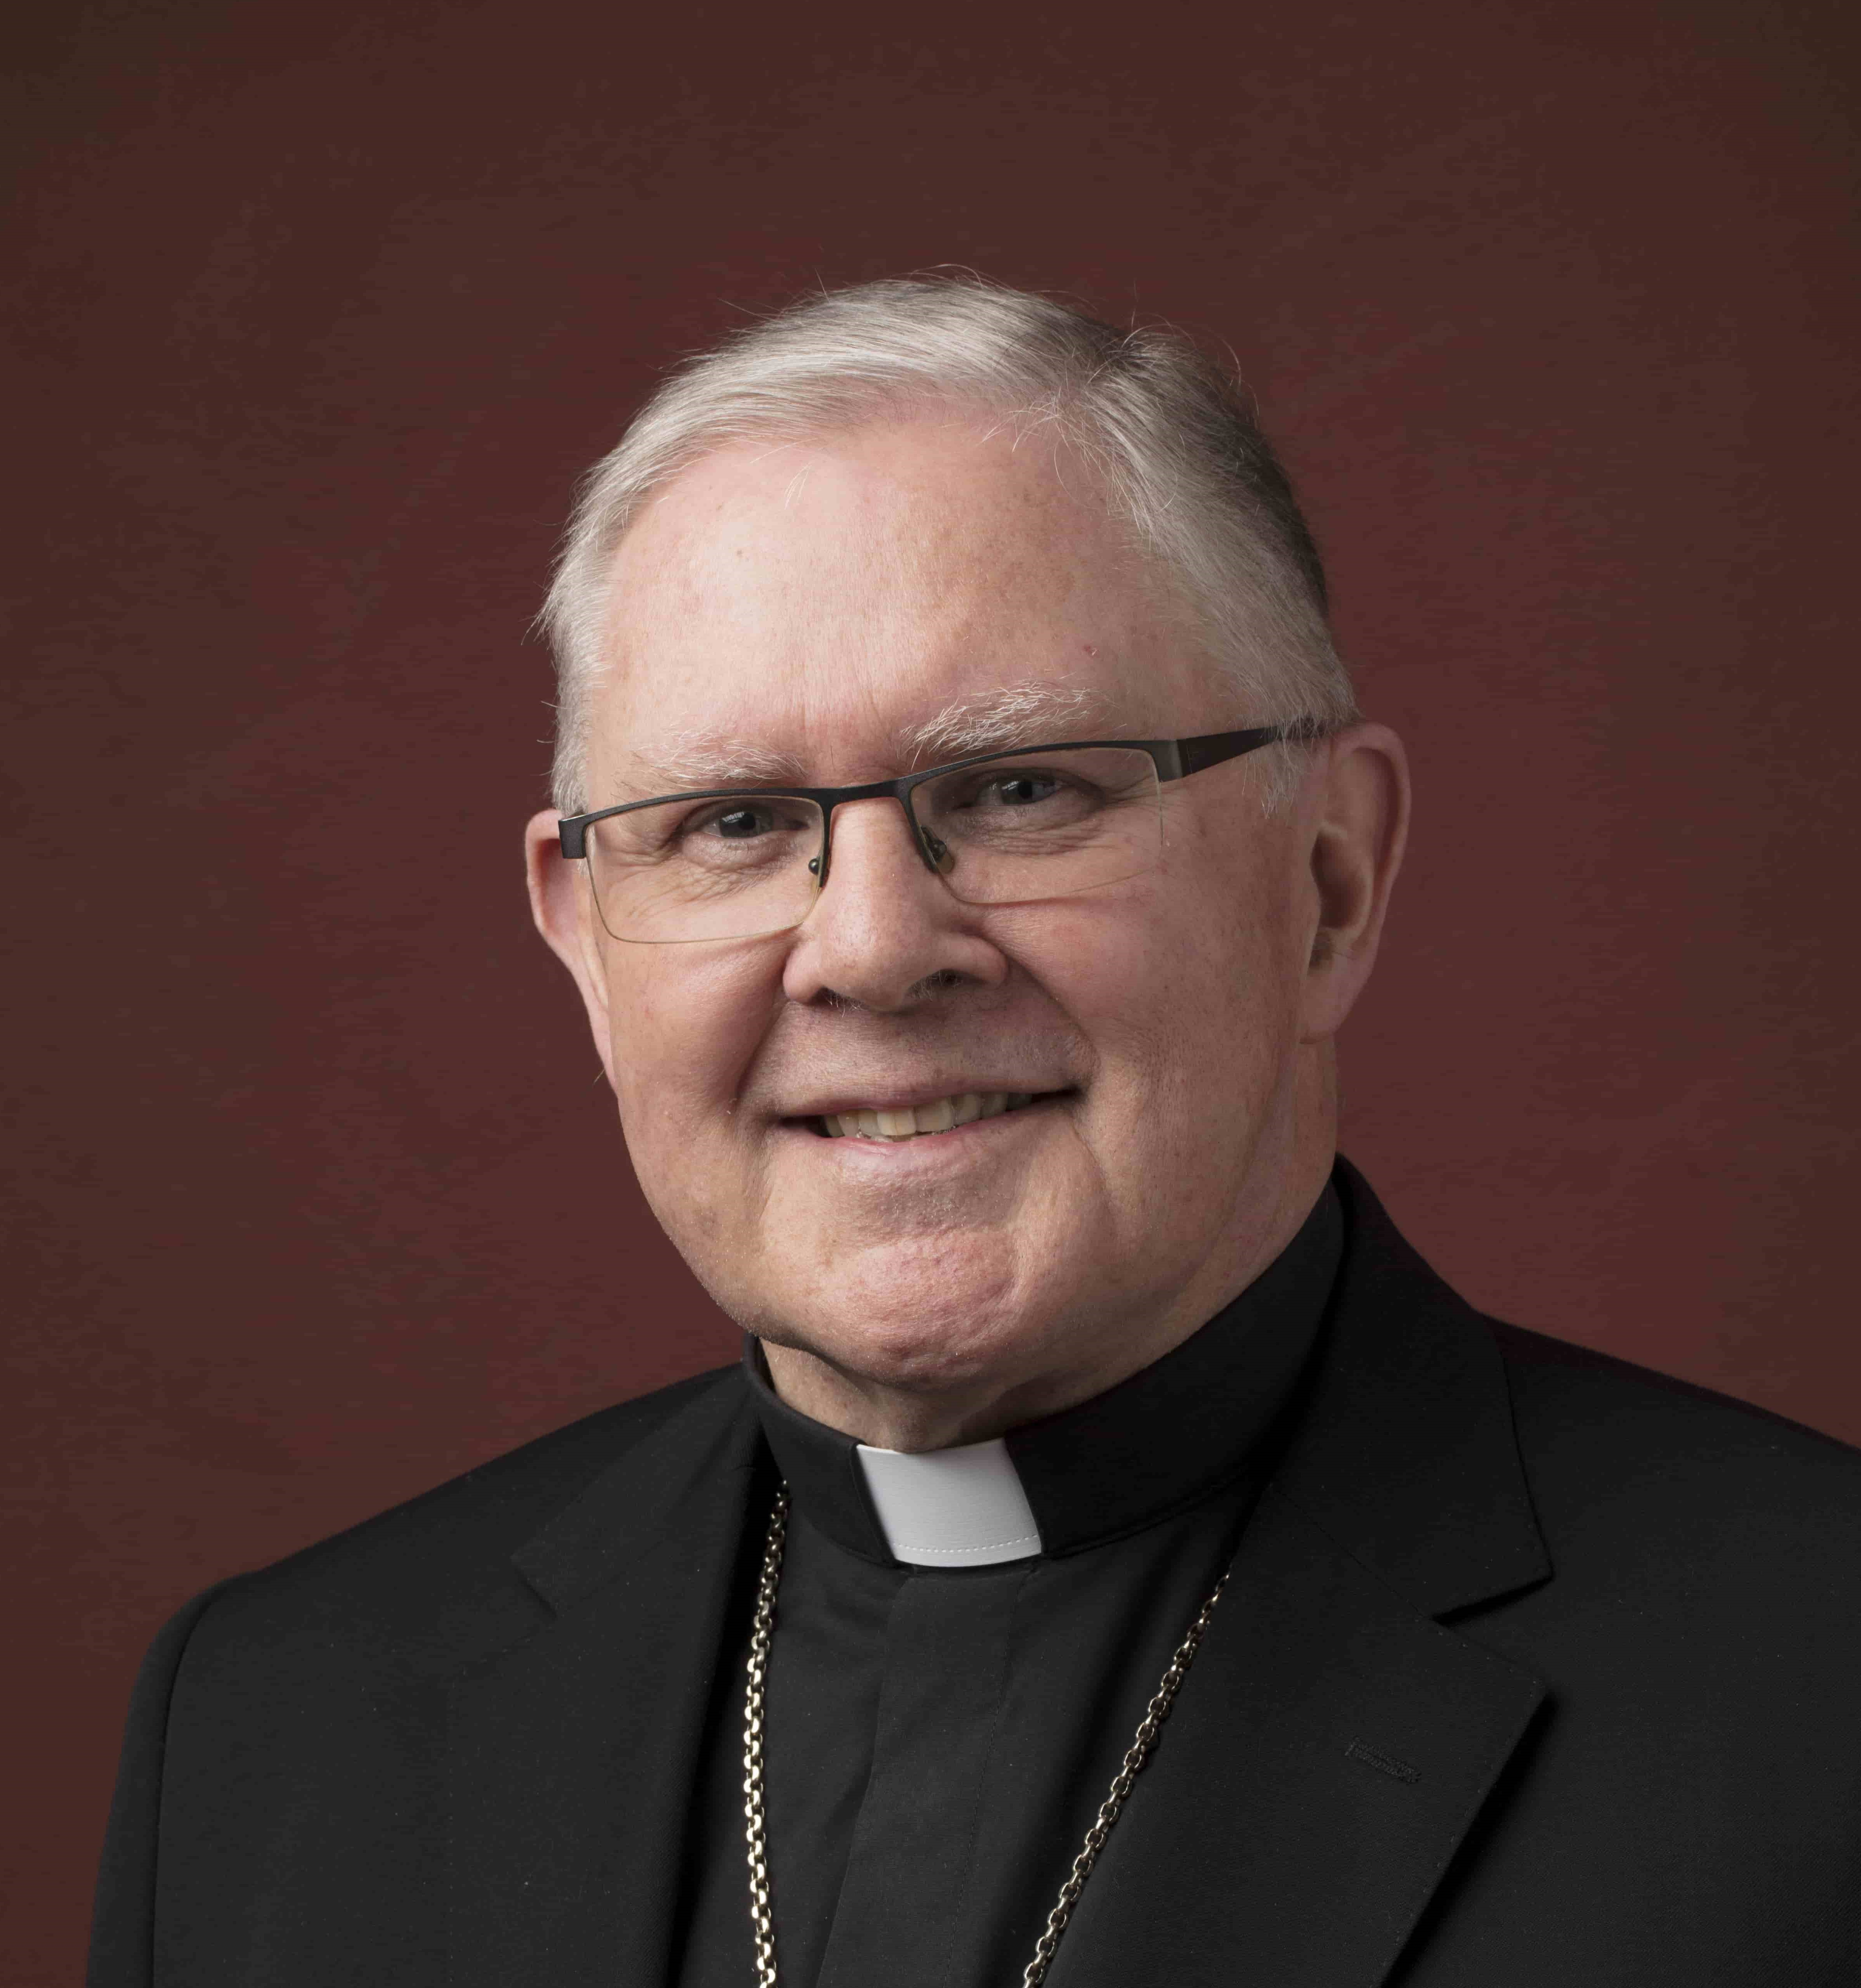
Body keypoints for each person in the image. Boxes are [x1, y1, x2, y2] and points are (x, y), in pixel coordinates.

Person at [89, 278, 1861, 1988]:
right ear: (585, 943)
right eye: (730, 821)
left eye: (1021, 789)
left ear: (1328, 883)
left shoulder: (1814, 1685)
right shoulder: (280, 1725)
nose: (869, 947)